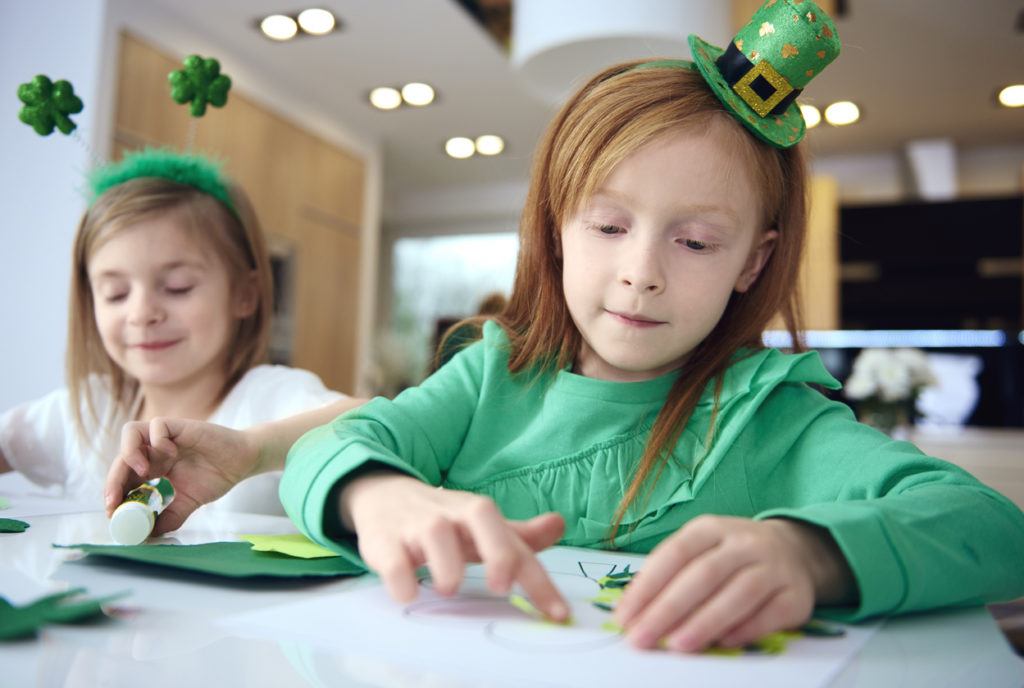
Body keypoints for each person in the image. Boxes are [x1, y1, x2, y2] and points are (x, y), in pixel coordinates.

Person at [272, 0, 1024, 655]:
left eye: (694, 242)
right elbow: (332, 446)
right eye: (608, 224)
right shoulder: (489, 375)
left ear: (752, 265)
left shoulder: (774, 421)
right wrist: (375, 495)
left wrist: (807, 554)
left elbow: (993, 530)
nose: (642, 271)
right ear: (557, 229)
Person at [0, 148, 363, 527]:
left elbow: (373, 420)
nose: (142, 313)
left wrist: (252, 450)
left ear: (243, 294)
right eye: (116, 294)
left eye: (178, 287)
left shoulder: (267, 399)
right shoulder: (85, 412)